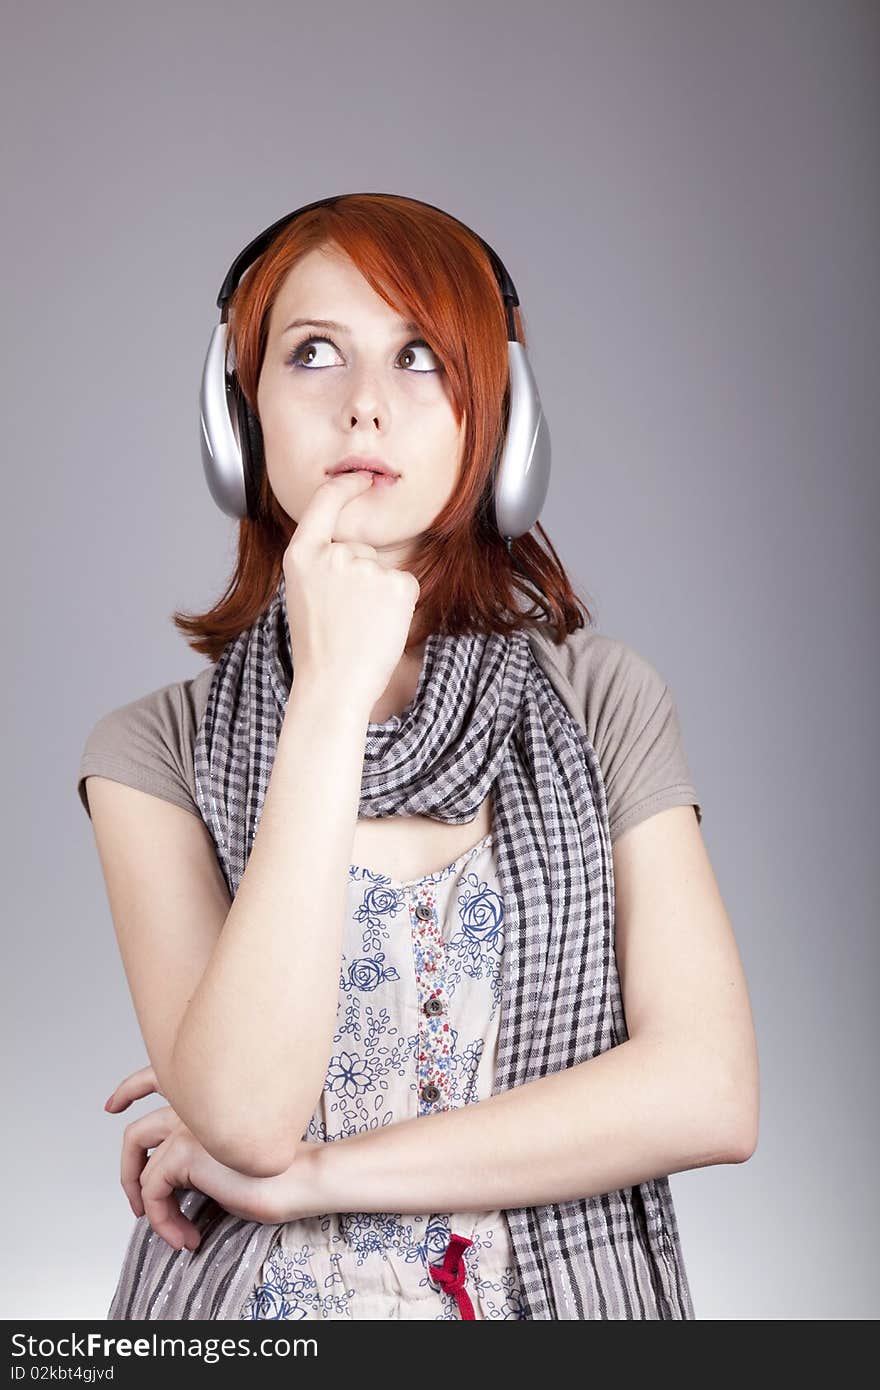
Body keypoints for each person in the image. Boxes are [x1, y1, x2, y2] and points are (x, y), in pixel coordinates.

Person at [77, 193, 759, 1320]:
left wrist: (318, 1176)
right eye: (311, 355)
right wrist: (331, 698)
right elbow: (246, 1112)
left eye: (419, 357)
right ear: (237, 424)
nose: (364, 408)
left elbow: (710, 1093)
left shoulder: (604, 705)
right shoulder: (152, 750)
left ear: (498, 417)